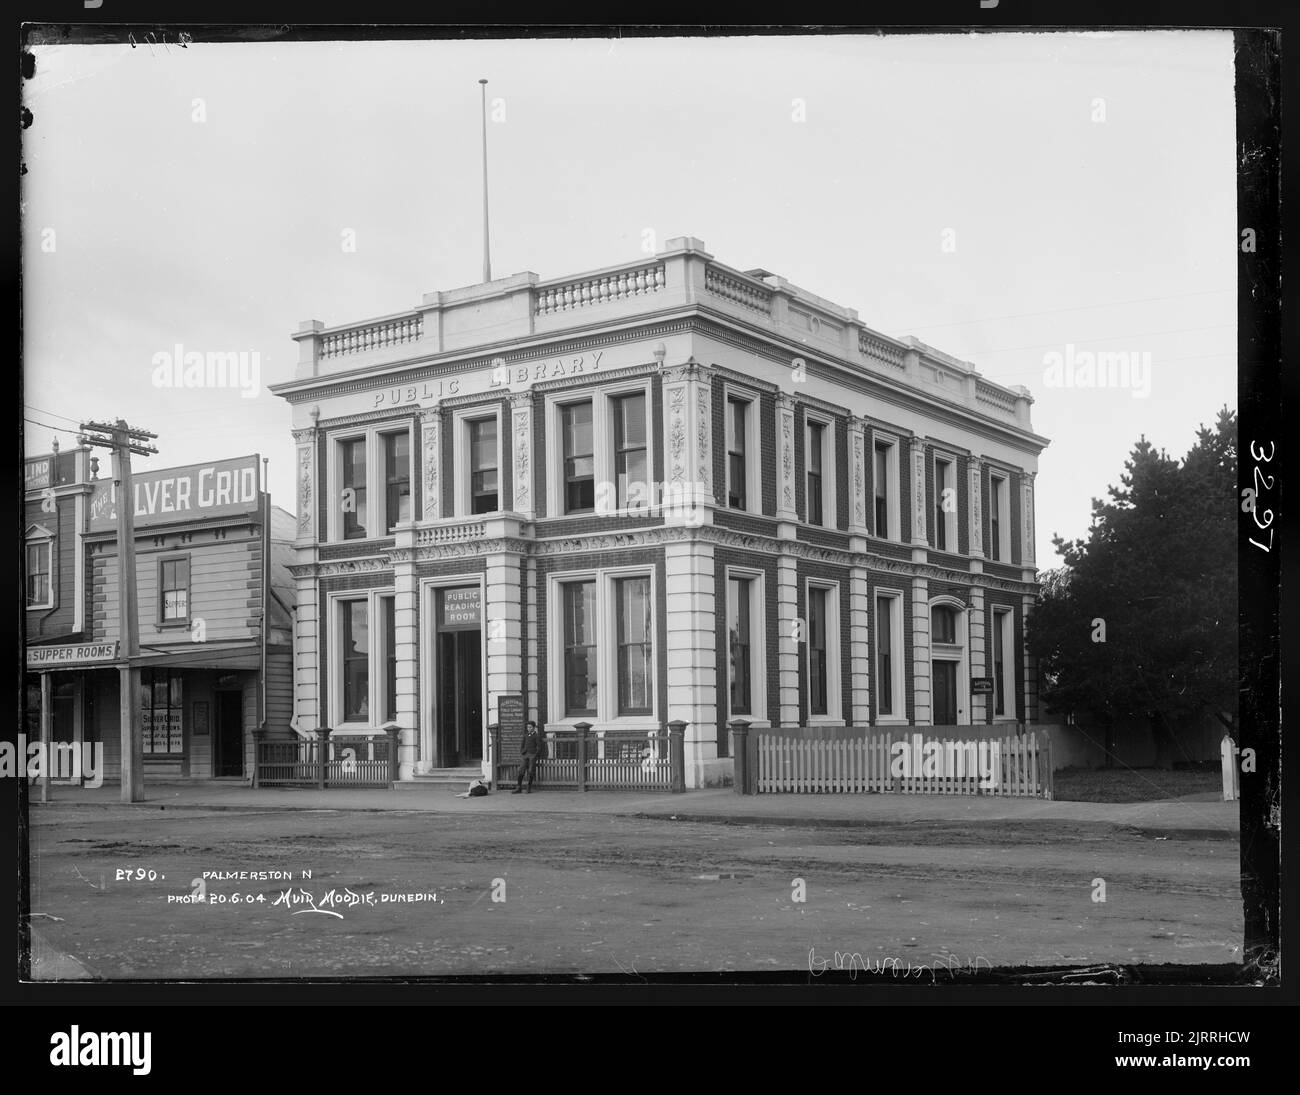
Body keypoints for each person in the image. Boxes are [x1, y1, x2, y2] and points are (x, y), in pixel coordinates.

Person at [513, 720, 540, 794]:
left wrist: (535, 755)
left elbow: (539, 747)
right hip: (525, 755)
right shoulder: (525, 735)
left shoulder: (536, 736)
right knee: (521, 769)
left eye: (530, 727)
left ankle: (529, 787)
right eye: (527, 727)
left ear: (534, 728)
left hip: (532, 755)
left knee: (531, 771)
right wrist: (522, 752)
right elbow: (522, 744)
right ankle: (519, 787)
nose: (529, 728)